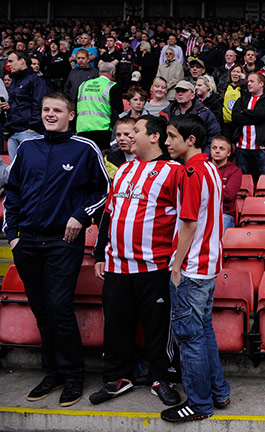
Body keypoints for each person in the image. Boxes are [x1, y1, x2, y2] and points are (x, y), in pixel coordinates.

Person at [4, 91, 109, 407]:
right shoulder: (27, 147)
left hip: (63, 243)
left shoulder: (84, 148)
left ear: (71, 116)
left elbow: (103, 191)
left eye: (57, 110)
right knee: (41, 311)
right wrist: (13, 235)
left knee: (59, 307)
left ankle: (74, 376)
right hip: (27, 242)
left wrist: (80, 215)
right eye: (46, 109)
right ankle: (51, 373)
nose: (50, 114)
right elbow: (13, 192)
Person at [90, 115, 182, 407]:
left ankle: (161, 378)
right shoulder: (124, 170)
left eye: (136, 131)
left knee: (158, 328)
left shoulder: (174, 171)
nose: (127, 137)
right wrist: (99, 252)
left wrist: (178, 263)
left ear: (154, 137)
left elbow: (186, 220)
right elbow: (109, 213)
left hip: (154, 266)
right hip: (116, 266)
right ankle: (118, 377)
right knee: (116, 324)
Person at [161, 115, 230, 423]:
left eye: (172, 136)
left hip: (191, 267)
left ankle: (199, 404)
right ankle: (219, 391)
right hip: (208, 264)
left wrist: (175, 267)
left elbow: (188, 223)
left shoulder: (191, 172)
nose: (166, 142)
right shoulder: (211, 168)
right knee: (203, 332)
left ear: (190, 140)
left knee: (190, 339)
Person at [4, 50, 52, 160]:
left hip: (28, 132)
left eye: (11, 61)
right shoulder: (14, 81)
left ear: (22, 61)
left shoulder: (37, 80)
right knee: (15, 171)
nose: (8, 64)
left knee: (32, 169)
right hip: (13, 132)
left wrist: (33, 127)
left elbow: (40, 104)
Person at [231, 71, 265, 180]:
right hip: (242, 148)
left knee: (264, 181)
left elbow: (263, 114)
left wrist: (245, 112)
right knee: (244, 182)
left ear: (261, 84)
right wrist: (256, 117)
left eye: (252, 81)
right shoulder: (242, 100)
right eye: (248, 81)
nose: (249, 84)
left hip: (262, 148)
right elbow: (235, 117)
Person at [160, 80, 221, 151]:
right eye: (177, 91)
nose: (180, 93)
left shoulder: (205, 113)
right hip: (172, 155)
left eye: (184, 91)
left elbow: (214, 136)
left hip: (197, 155)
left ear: (192, 95)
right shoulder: (166, 113)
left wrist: (205, 154)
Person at [76, 62, 123, 151]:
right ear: (113, 73)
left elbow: (76, 106)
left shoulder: (83, 85)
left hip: (82, 128)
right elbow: (117, 110)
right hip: (103, 129)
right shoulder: (112, 86)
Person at [210, 136, 242, 232]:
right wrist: (221, 187)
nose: (217, 151)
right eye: (214, 148)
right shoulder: (204, 168)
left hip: (224, 214)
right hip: (203, 213)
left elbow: (229, 195)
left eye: (221, 148)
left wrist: (207, 188)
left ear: (228, 153)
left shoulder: (235, 171)